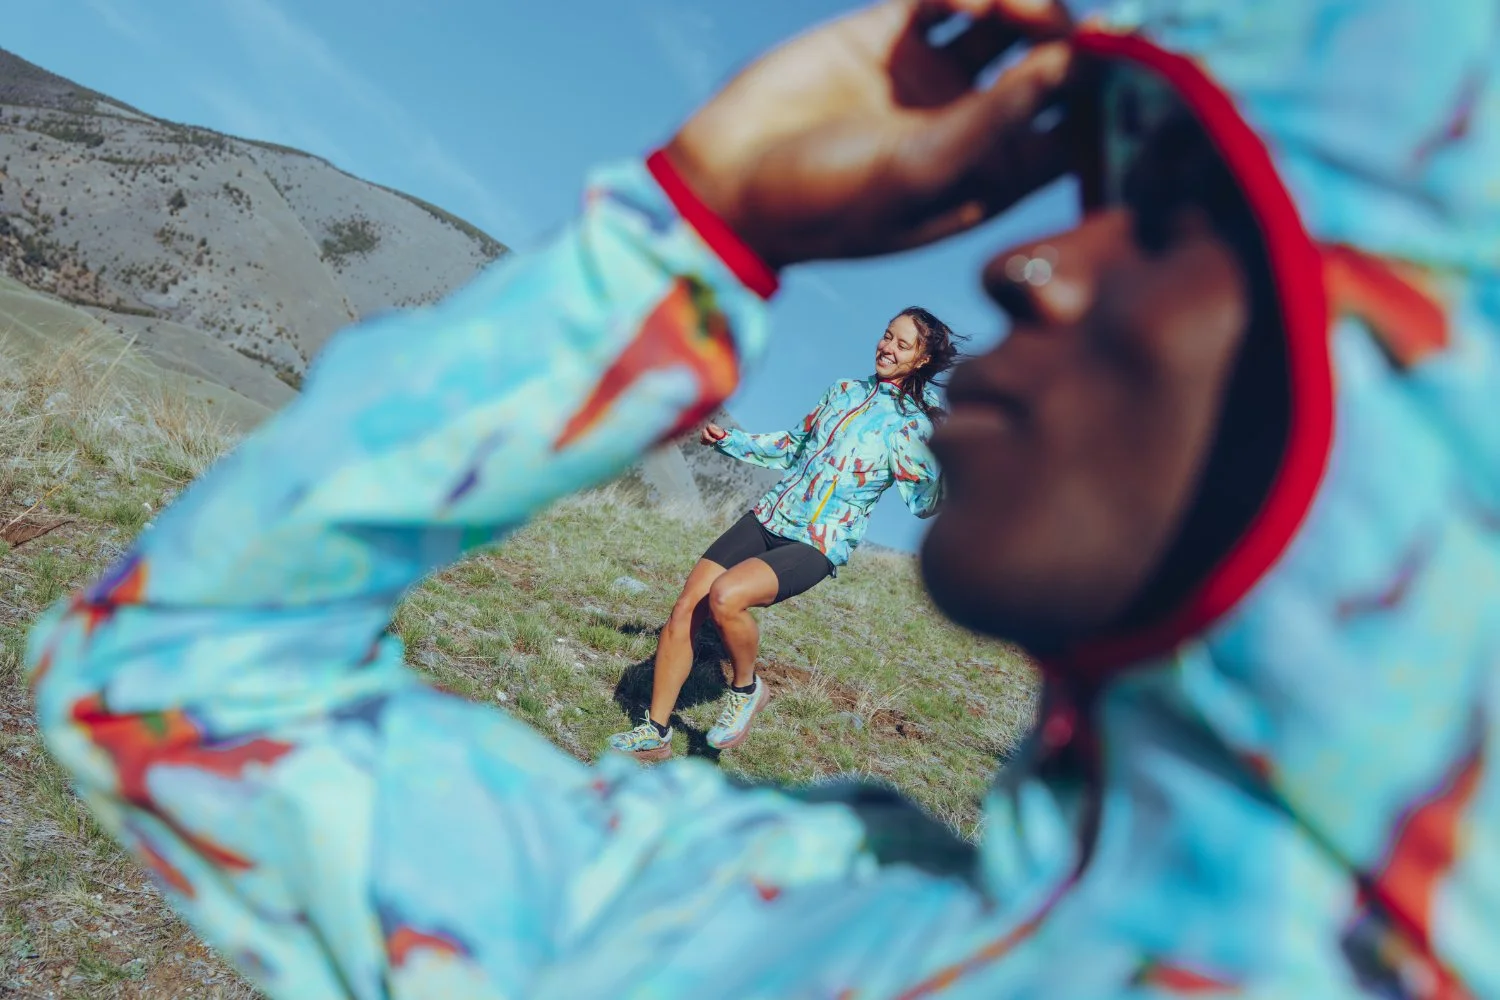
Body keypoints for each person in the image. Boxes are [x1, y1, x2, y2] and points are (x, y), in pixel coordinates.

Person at [24, 0, 1498, 996]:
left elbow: (178, 676)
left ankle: (735, 689)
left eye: (1178, 221)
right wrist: (700, 243)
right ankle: (666, 726)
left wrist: (671, 257)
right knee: (689, 590)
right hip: (774, 500)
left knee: (727, 595)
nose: (1024, 261)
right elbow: (157, 686)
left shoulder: (910, 445)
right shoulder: (758, 932)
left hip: (820, 544)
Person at [609, 305, 954, 759]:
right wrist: (731, 441)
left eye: (902, 344)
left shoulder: (913, 427)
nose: (887, 347)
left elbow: (927, 502)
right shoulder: (844, 392)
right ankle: (655, 732)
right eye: (887, 335)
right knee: (687, 607)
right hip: (771, 515)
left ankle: (746, 689)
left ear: (922, 360)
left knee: (726, 597)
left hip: (818, 541)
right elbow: (794, 446)